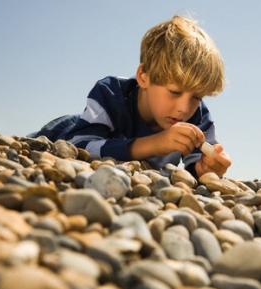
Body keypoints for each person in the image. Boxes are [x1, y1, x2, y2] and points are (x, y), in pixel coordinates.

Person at [29, 15, 231, 178]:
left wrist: (207, 168)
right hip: (70, 127)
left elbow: (195, 167)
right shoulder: (110, 93)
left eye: (196, 97)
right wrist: (154, 144)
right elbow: (78, 147)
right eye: (174, 92)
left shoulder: (198, 117)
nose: (184, 109)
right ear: (143, 76)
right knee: (26, 145)